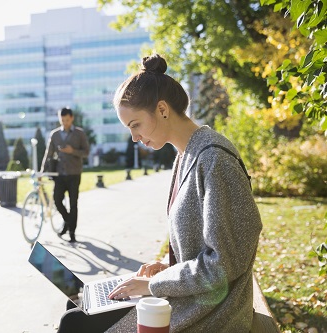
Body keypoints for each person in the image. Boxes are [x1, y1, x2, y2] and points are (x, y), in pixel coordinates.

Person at [56, 54, 262, 332]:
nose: (134, 138)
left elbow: (222, 265)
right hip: (190, 299)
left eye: (135, 125)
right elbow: (203, 247)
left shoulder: (214, 160)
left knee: (75, 323)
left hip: (210, 313)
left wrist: (153, 285)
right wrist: (166, 263)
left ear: (162, 109)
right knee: (78, 307)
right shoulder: (185, 156)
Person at [41, 107, 90, 243]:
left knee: (73, 204)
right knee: (57, 201)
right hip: (60, 174)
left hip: (74, 174)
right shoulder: (55, 134)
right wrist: (42, 171)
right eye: (62, 120)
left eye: (67, 120)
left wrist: (72, 150)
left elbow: (86, 152)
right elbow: (48, 154)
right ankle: (68, 222)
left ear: (72, 118)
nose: (65, 123)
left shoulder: (79, 134)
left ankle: (72, 232)